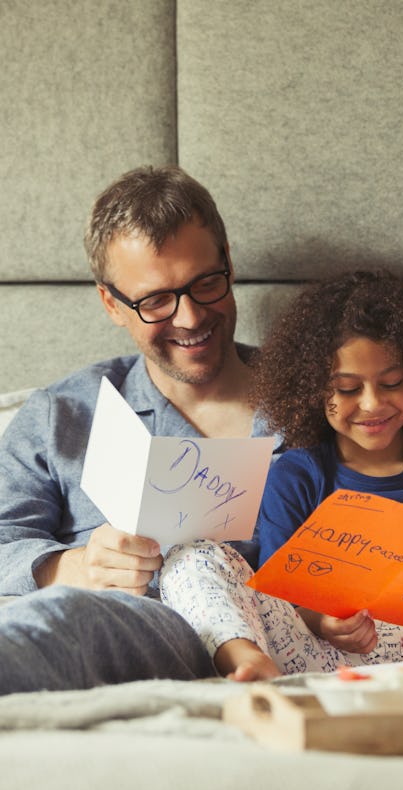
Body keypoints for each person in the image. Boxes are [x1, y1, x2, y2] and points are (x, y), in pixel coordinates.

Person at [0, 165, 282, 694]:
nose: (191, 317)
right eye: (155, 300)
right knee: (68, 620)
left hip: (288, 638)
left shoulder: (325, 399)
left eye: (206, 283)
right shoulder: (63, 415)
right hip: (128, 632)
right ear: (111, 303)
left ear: (230, 264)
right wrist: (73, 567)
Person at [160, 270, 403, 681]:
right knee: (191, 553)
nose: (372, 404)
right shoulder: (295, 476)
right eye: (348, 389)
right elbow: (277, 595)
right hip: (309, 657)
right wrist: (322, 621)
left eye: (391, 382)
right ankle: (248, 664)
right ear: (313, 391)